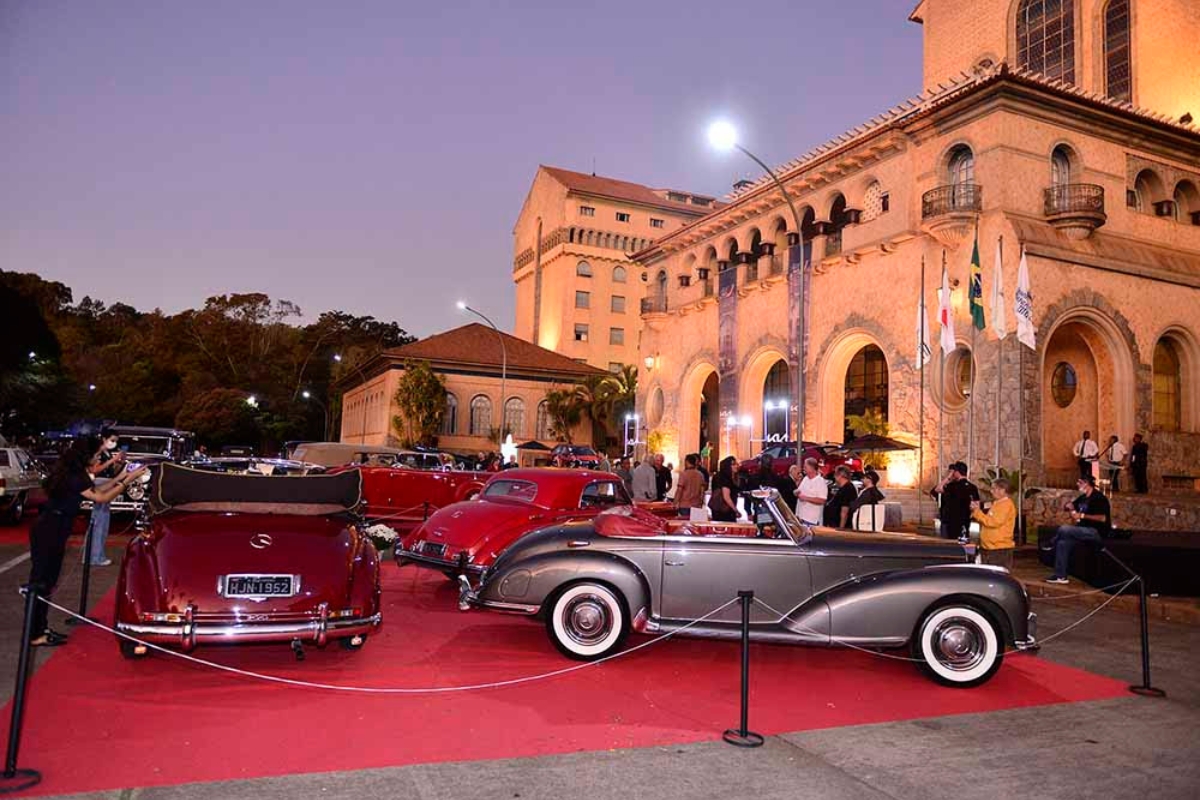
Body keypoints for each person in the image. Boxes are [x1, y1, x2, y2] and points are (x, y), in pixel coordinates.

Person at [27, 436, 148, 647]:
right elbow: (102, 498)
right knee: (42, 581)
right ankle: (36, 632)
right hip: (50, 529)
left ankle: (40, 628)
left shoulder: (74, 472)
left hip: (53, 527)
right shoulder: (75, 475)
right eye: (97, 453)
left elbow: (100, 489)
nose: (99, 456)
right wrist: (128, 480)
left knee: (47, 581)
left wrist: (124, 475)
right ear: (87, 454)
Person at [1043, 474, 1112, 584]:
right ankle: (1061, 576)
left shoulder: (1099, 498)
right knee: (1063, 543)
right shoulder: (1083, 497)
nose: (1077, 484)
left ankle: (1051, 543)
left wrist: (1082, 516)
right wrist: (1068, 506)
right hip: (1082, 530)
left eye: (1079, 482)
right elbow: (1070, 506)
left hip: (1096, 531)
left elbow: (1103, 518)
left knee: (1064, 529)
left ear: (1087, 484)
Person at [84, 428, 126, 566]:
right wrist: (112, 460)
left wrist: (118, 463)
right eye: (112, 440)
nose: (114, 443)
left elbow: (110, 472)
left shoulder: (106, 453)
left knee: (101, 522)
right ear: (104, 439)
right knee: (99, 522)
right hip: (100, 484)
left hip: (107, 483)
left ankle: (95, 555)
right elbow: (94, 470)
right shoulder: (99, 453)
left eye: (116, 441)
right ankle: (95, 557)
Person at [970, 478, 1016, 569]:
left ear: (1002, 490)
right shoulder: (997, 503)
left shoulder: (1006, 505)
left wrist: (977, 512)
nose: (991, 491)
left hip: (999, 549)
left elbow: (993, 522)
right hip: (990, 547)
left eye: (994, 489)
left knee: (997, 577)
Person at [930, 461, 979, 540]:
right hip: (965, 521)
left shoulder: (952, 486)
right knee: (962, 544)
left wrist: (948, 477)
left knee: (948, 545)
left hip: (950, 522)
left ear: (956, 472)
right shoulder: (973, 487)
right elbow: (976, 504)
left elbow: (937, 489)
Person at [794, 458, 828, 527]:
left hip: (812, 521)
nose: (803, 468)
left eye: (805, 466)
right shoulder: (805, 479)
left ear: (812, 468)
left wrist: (806, 498)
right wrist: (796, 492)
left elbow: (822, 500)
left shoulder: (820, 482)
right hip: (800, 518)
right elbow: (799, 491)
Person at [708, 456, 740, 522]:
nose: (736, 466)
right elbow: (726, 497)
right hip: (726, 510)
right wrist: (735, 510)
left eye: (736, 464)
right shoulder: (725, 478)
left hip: (716, 508)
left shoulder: (717, 476)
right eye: (733, 464)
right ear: (728, 466)